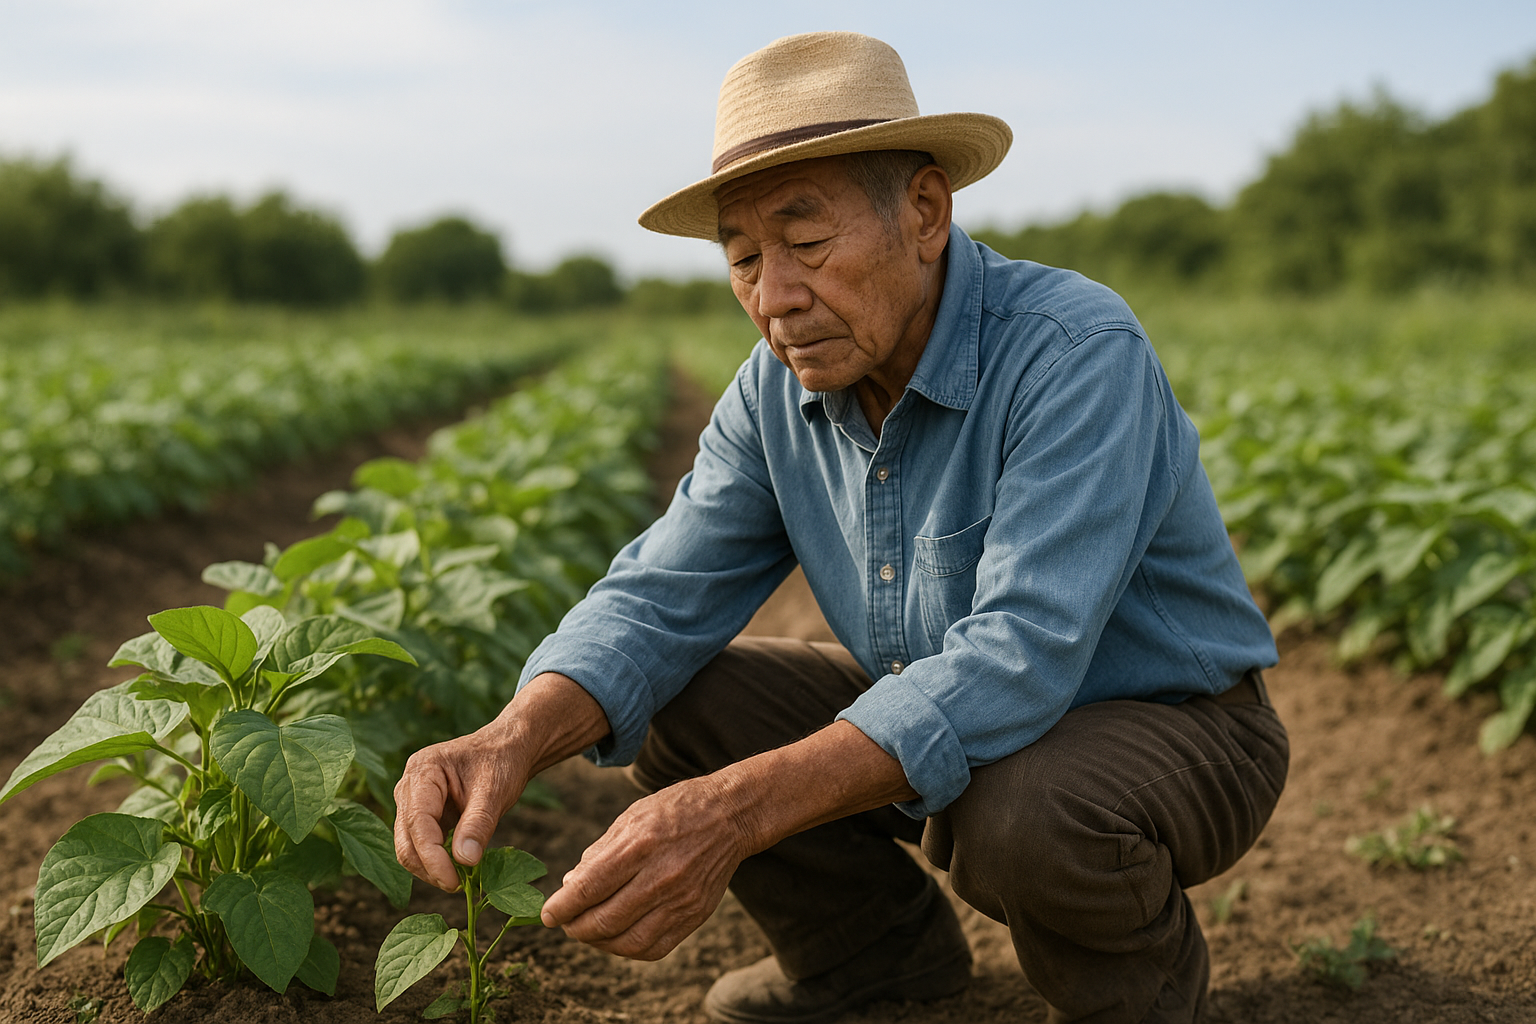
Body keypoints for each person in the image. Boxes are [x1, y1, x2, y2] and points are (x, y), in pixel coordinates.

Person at [393, 30, 1288, 1024]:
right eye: (743, 257)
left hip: (1177, 725)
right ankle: (873, 959)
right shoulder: (773, 394)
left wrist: (733, 810)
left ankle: (1140, 998)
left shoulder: (1073, 352)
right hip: (948, 704)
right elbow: (659, 597)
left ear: (926, 211)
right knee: (686, 699)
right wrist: (509, 738)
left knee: (1027, 810)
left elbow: (1020, 658)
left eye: (806, 241)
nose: (773, 297)